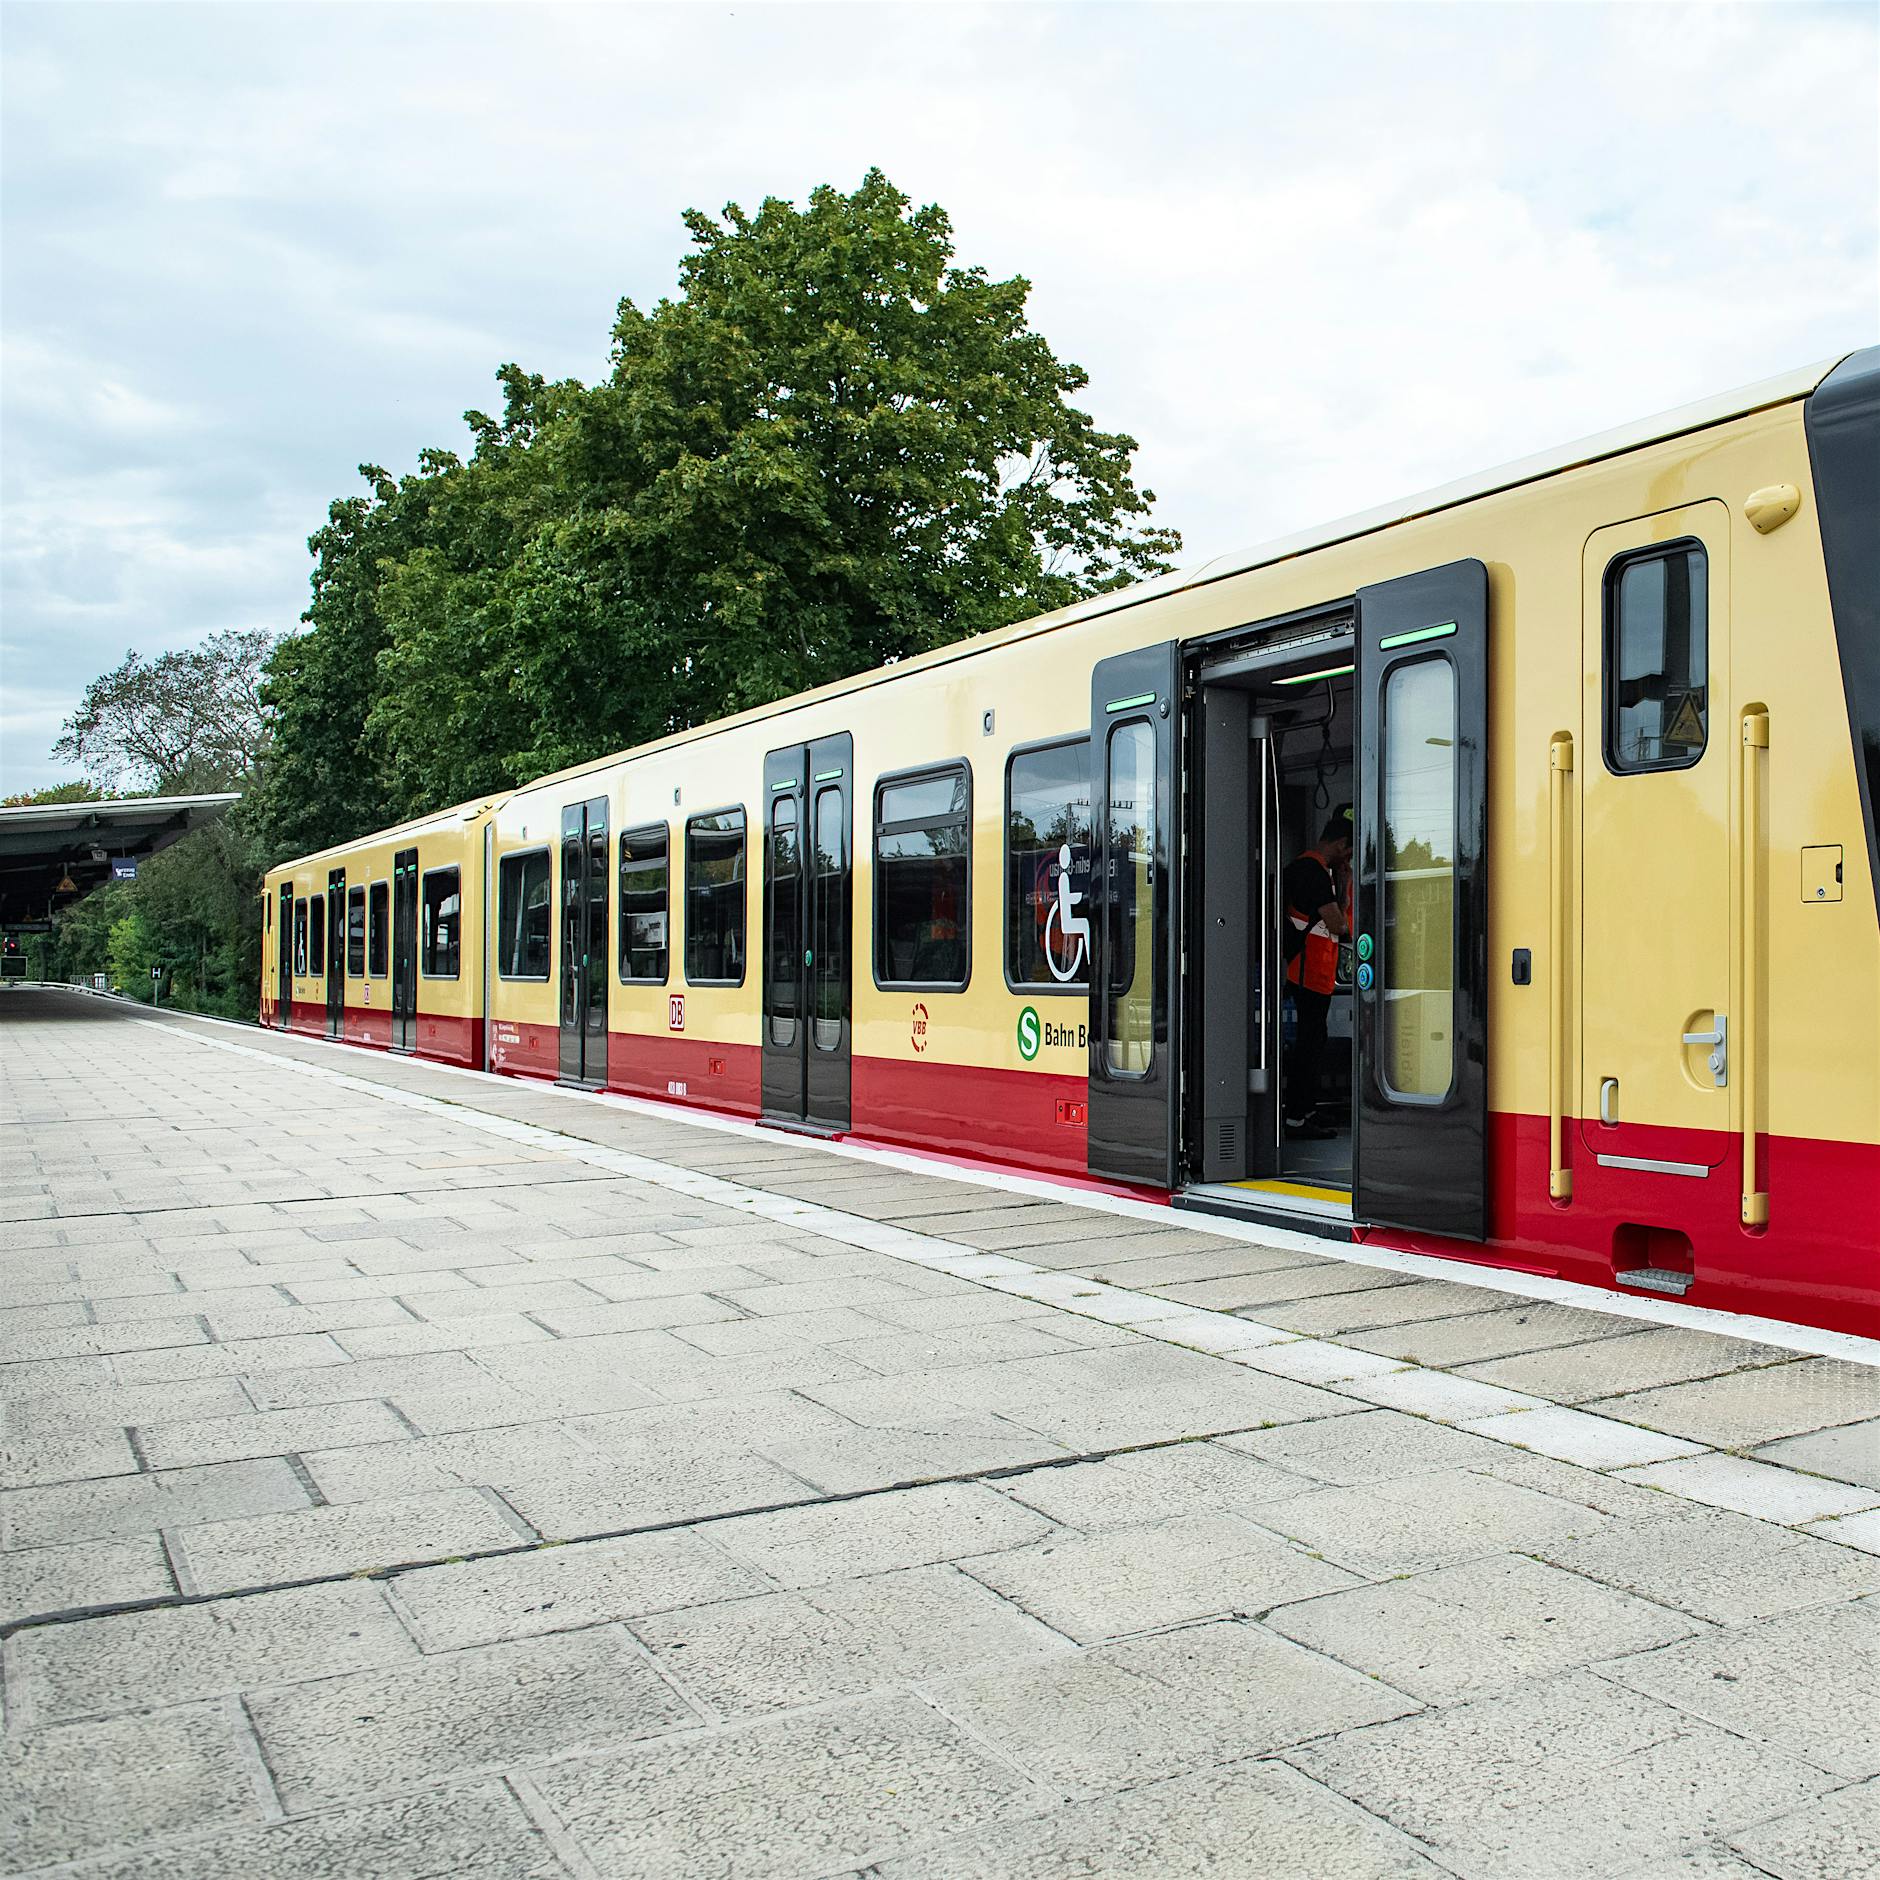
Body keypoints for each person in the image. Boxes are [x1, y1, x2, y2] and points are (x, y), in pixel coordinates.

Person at [1283, 806, 1353, 1139]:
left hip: (1313, 970)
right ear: (1340, 845)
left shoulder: (1309, 869)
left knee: (1314, 1041)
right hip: (1307, 969)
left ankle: (1305, 1111)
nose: (1348, 860)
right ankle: (1297, 1116)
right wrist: (1346, 887)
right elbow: (1339, 924)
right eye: (1349, 852)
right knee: (1309, 1045)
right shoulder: (1312, 871)